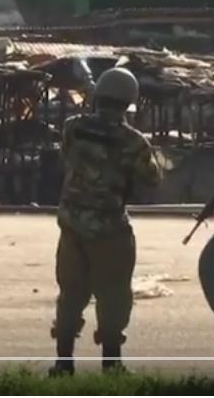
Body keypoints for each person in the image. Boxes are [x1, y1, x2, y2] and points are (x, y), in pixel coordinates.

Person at [51, 67, 161, 376]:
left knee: (71, 293)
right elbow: (151, 180)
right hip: (109, 226)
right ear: (129, 103)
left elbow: (67, 159)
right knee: (113, 294)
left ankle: (63, 361)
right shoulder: (134, 141)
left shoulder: (72, 127)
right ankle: (111, 362)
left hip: (71, 223)